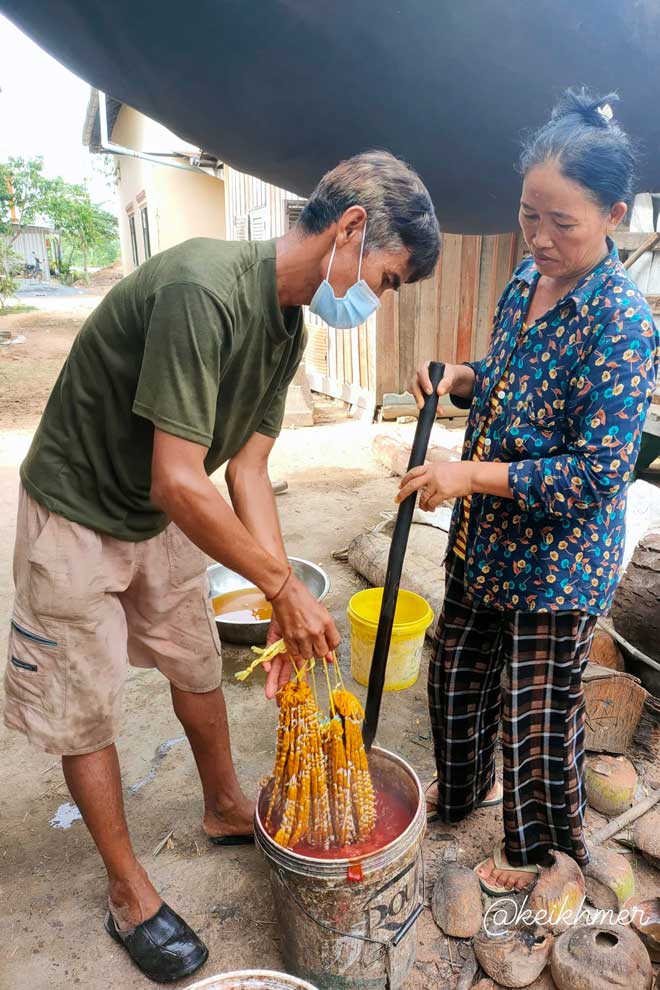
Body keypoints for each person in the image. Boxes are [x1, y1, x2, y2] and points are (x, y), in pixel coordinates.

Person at [4, 151, 440, 981]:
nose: (378, 303)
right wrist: (279, 585)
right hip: (79, 508)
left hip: (158, 509)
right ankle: (129, 892)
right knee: (85, 705)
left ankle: (223, 806)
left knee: (195, 662)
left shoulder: (287, 323)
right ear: (351, 230)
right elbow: (181, 477)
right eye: (386, 281)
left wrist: (283, 600)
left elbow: (244, 472)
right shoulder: (204, 292)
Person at [403, 90, 659, 896]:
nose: (541, 239)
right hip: (486, 540)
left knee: (536, 712)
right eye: (529, 216)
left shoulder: (621, 322)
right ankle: (465, 788)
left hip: (556, 559)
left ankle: (536, 858)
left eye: (564, 223)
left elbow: (594, 473)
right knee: (456, 675)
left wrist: (467, 474)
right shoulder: (528, 280)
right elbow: (511, 384)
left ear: (614, 215)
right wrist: (463, 380)